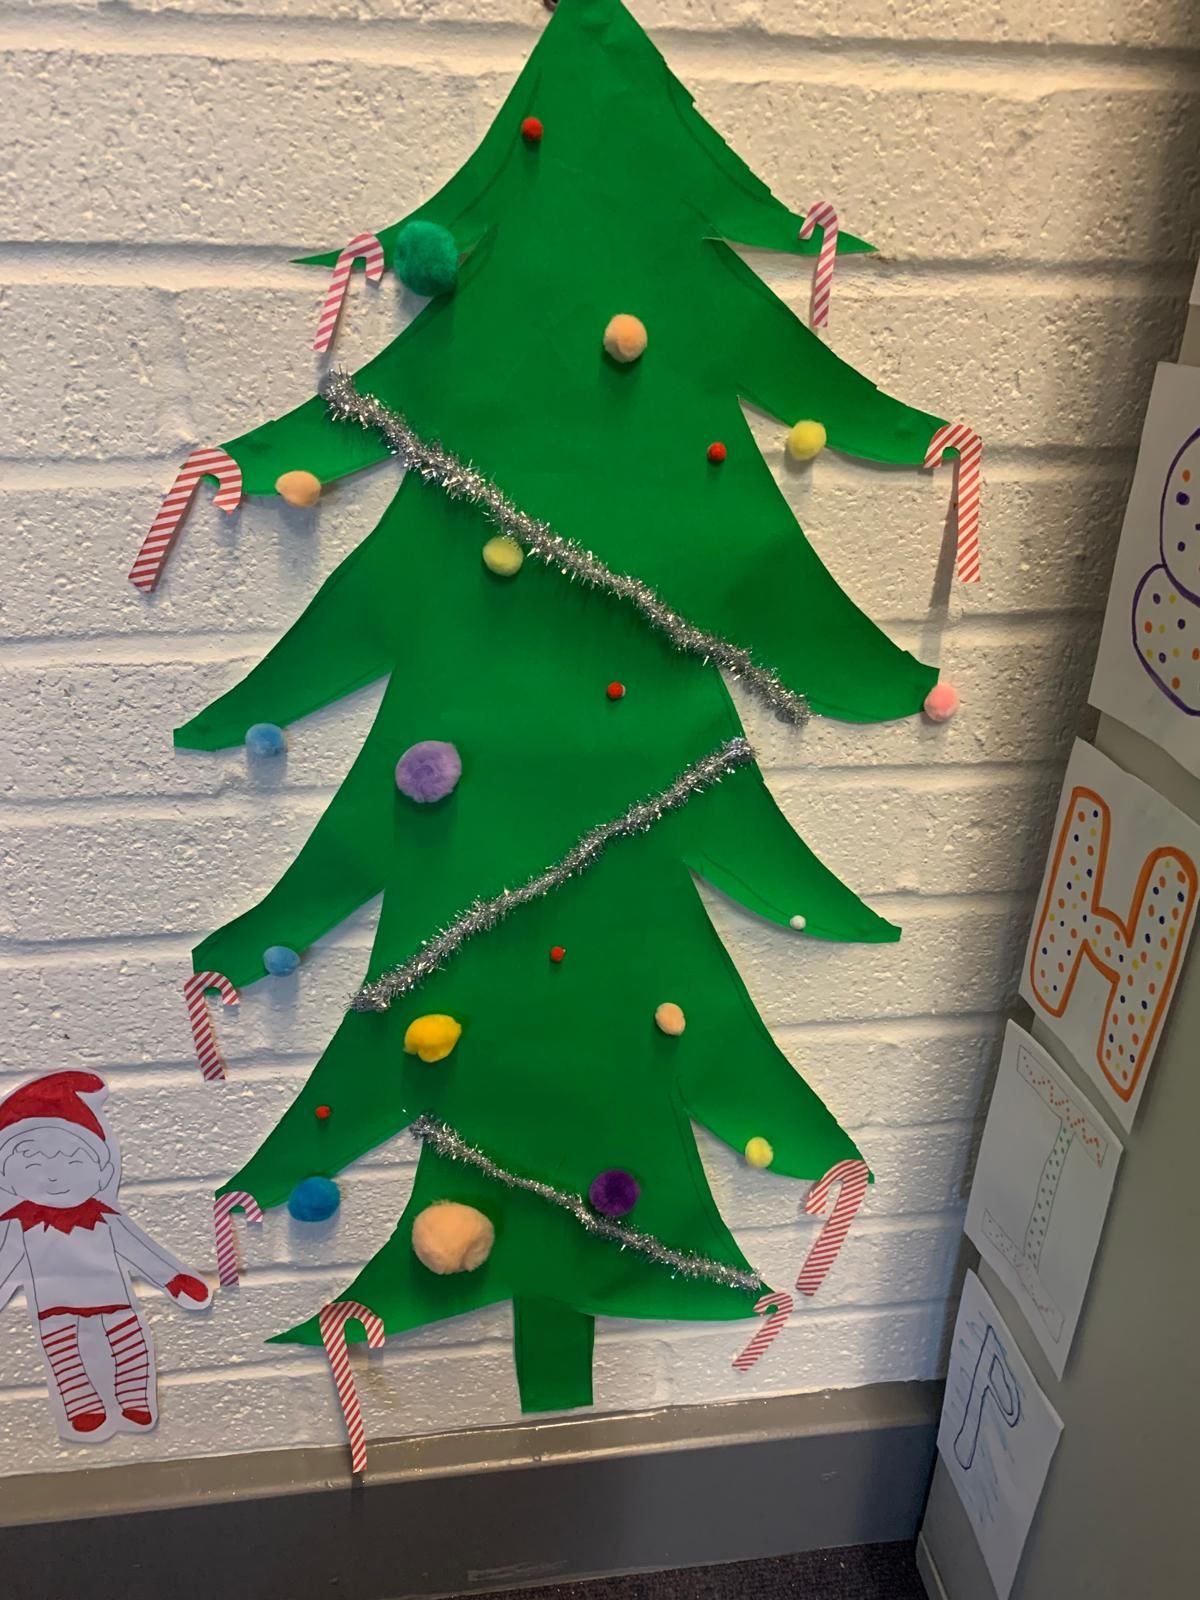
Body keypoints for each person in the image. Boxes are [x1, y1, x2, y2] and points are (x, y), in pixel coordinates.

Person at [0, 1071, 210, 1440]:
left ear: (100, 1168)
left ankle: (134, 1399)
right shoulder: (21, 1225)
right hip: (53, 1304)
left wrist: (175, 1279)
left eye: (71, 1163)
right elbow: (4, 1263)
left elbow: (140, 1249)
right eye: (34, 1167)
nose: (53, 1177)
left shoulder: (104, 1218)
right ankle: (83, 1408)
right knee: (64, 1359)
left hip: (111, 1297)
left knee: (130, 1346)